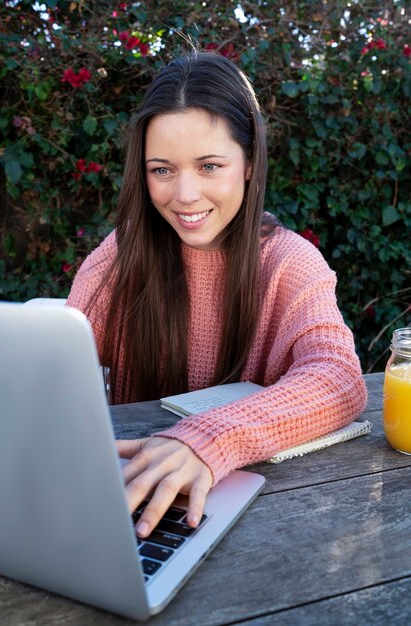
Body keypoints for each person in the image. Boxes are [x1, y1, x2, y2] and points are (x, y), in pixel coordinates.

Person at [67, 49, 367, 539]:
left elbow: (337, 377)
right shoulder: (120, 255)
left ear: (249, 164)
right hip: (127, 503)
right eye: (162, 169)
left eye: (209, 166)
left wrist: (208, 439)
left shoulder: (289, 262)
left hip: (261, 518)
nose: (184, 194)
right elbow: (56, 373)